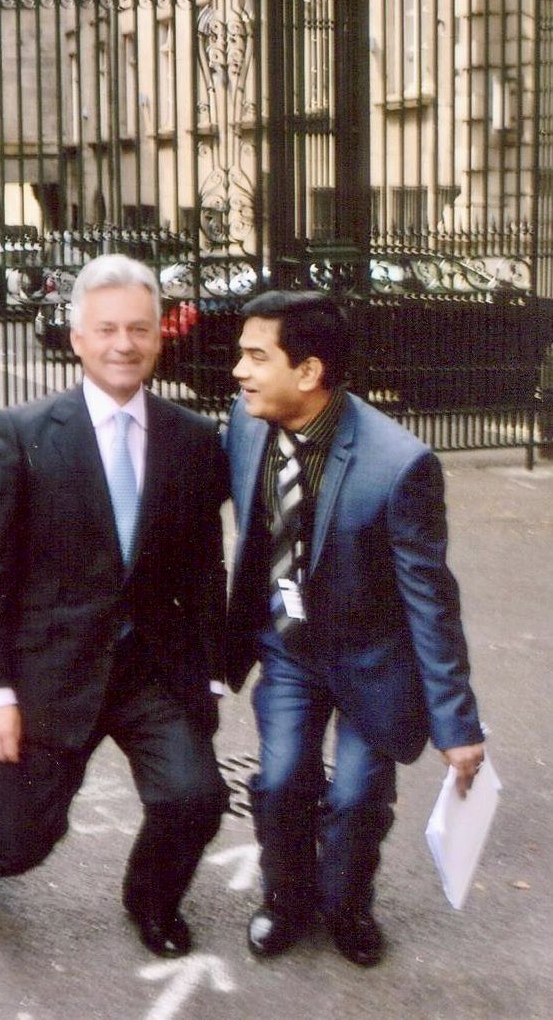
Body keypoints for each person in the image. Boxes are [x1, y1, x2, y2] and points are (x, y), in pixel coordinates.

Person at [0, 254, 230, 958]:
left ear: (161, 335)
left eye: (138, 327)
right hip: (51, 673)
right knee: (24, 843)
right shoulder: (24, 433)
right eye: (105, 330)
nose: (123, 344)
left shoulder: (193, 439)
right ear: (76, 339)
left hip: (152, 672)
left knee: (194, 797)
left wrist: (209, 672)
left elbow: (202, 565)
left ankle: (151, 900)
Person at [224, 289, 485, 968]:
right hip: (289, 646)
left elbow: (432, 602)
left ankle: (347, 906)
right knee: (280, 781)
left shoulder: (399, 466)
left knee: (359, 795)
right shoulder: (248, 421)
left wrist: (458, 728)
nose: (238, 372)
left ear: (308, 372)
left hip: (374, 659)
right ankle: (286, 899)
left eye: (256, 356)